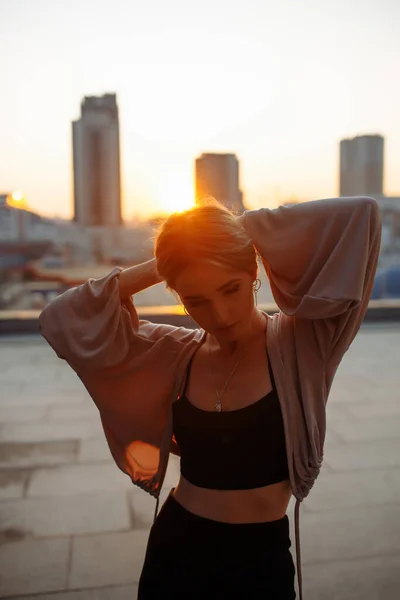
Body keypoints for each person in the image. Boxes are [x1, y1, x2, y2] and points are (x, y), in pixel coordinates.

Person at [39, 195, 382, 599]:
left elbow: (362, 218)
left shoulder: (304, 343)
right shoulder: (175, 353)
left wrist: (235, 232)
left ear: (253, 270)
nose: (220, 314)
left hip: (261, 561)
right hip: (176, 552)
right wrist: (168, 262)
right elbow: (59, 319)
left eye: (230, 288)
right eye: (195, 300)